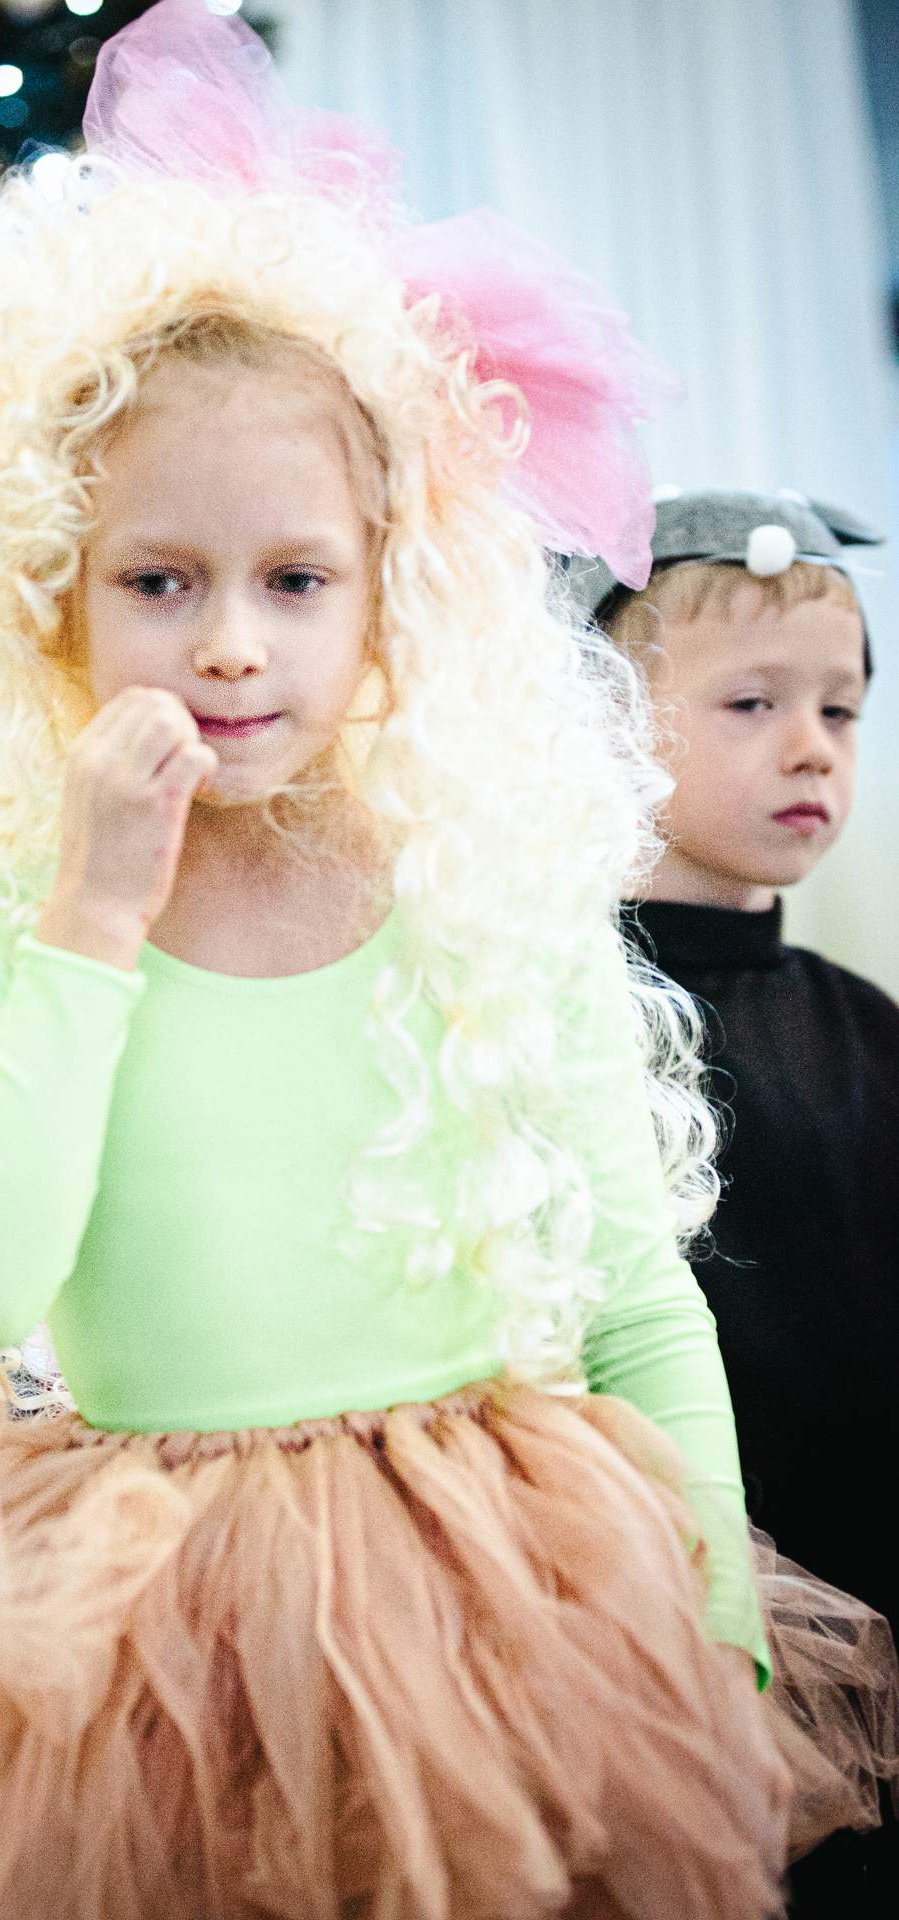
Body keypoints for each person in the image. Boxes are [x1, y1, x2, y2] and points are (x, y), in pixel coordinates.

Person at [0, 8, 883, 1915]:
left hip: (490, 1591)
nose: (231, 644)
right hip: (132, 1625)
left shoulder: (472, 878)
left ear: (385, 596)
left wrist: (713, 1626)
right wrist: (91, 920)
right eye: (160, 581)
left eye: (294, 581)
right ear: (55, 600)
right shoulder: (5, 903)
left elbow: (637, 1295)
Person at [575, 488, 899, 1915]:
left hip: (865, 1573)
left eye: (840, 710)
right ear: (602, 729)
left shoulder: (863, 1023)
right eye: (752, 703)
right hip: (670, 1583)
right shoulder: (559, 1007)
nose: (809, 746)